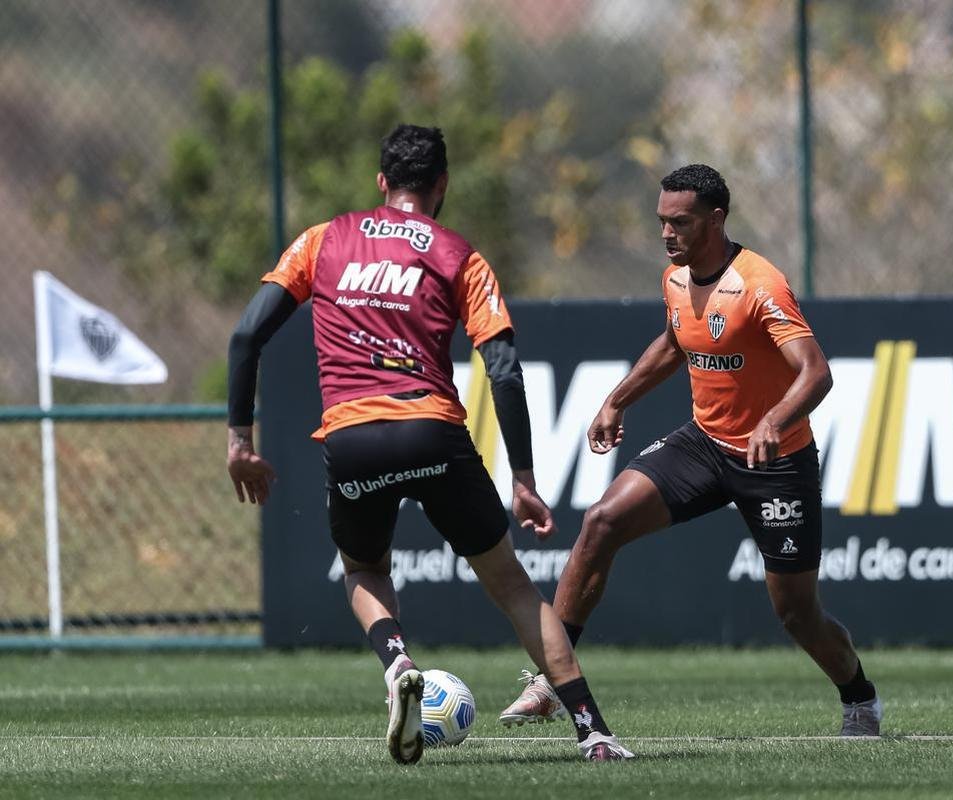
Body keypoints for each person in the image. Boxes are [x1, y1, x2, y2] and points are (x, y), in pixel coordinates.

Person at [225, 123, 633, 763]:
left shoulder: (322, 241)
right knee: (515, 589)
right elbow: (502, 367)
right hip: (432, 432)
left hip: (353, 436)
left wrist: (239, 441)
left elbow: (247, 336)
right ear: (441, 185)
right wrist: (523, 479)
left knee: (363, 568)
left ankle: (396, 667)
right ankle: (595, 733)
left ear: (381, 181)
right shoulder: (458, 256)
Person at [500, 164, 882, 736]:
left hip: (774, 462)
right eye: (661, 221)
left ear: (716, 219)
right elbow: (676, 342)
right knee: (602, 520)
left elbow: (816, 372)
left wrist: (775, 419)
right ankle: (550, 681)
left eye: (678, 222)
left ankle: (859, 696)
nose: (665, 233)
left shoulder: (759, 284)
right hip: (704, 444)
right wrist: (617, 400)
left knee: (797, 613)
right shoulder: (675, 279)